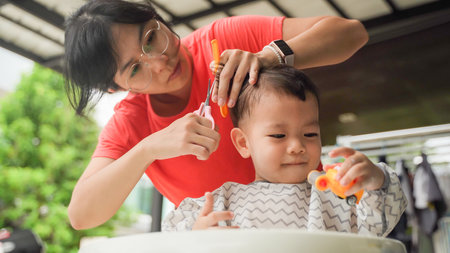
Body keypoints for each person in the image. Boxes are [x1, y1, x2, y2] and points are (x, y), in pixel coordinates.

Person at [64, 0, 369, 230]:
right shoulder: (132, 121)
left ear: (156, 18)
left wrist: (271, 55)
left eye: (150, 39)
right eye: (135, 68)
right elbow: (81, 214)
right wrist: (150, 147)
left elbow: (352, 34)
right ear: (116, 88)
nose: (160, 62)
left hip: (309, 227)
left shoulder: (225, 40)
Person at [162, 66, 407, 236]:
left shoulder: (336, 200)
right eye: (278, 135)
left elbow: (379, 223)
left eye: (310, 134)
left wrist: (376, 180)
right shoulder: (223, 202)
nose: (297, 146)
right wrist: (196, 236)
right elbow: (171, 237)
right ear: (243, 143)